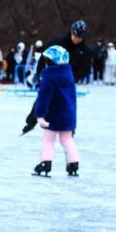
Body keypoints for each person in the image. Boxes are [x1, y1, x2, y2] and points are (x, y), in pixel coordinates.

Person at [21, 20, 91, 134]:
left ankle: (70, 129)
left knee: (67, 104)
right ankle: (31, 122)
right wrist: (40, 73)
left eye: (80, 37)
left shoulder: (85, 50)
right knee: (42, 99)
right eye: (75, 36)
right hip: (52, 77)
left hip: (67, 81)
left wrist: (74, 78)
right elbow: (44, 56)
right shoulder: (58, 42)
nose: (77, 39)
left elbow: (85, 68)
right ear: (71, 32)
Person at [31, 46, 79, 177]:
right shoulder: (68, 75)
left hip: (53, 115)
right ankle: (73, 163)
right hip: (68, 115)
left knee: (48, 140)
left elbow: (44, 97)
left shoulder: (49, 77)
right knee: (67, 139)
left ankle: (45, 163)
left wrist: (39, 114)